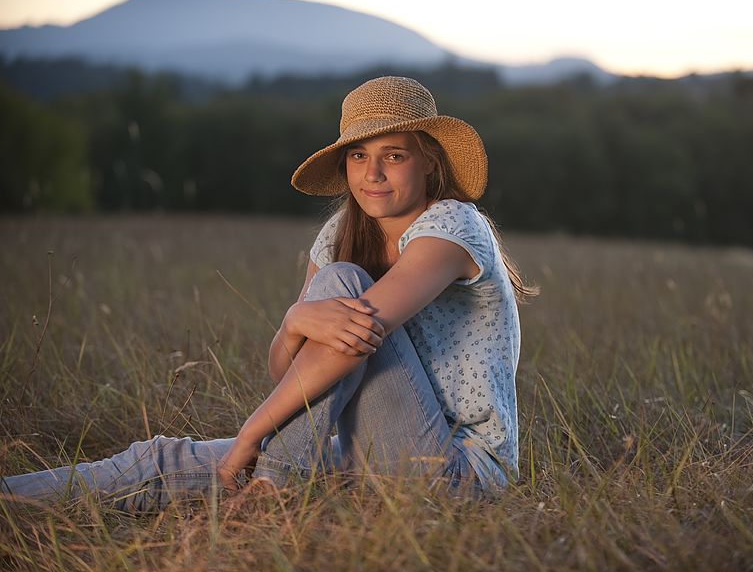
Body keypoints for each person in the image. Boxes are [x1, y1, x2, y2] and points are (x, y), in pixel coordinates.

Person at [1, 76, 538, 511]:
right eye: (358, 156)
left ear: (430, 163)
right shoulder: (341, 234)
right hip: (361, 451)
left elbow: (355, 333)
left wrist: (252, 435)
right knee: (166, 460)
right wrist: (297, 320)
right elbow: (292, 371)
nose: (372, 173)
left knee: (340, 290)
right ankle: (11, 504)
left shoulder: (454, 226)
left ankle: (275, 487)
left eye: (393, 155)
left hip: (456, 475)